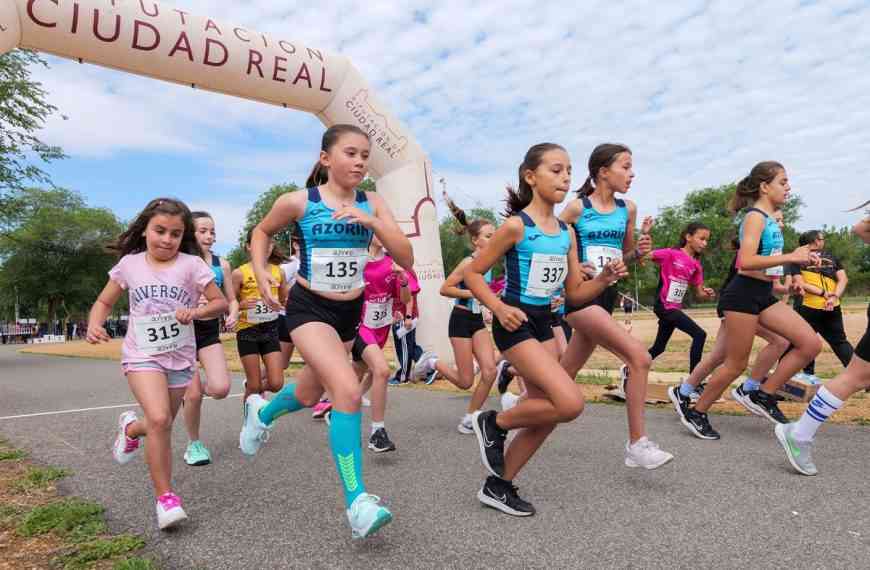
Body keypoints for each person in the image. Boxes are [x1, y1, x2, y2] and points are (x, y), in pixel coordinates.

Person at [239, 124, 413, 538]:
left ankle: (260, 413)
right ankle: (357, 502)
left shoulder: (373, 202)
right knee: (348, 392)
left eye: (364, 155)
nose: (359, 161)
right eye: (350, 153)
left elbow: (405, 255)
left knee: (305, 394)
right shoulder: (299, 202)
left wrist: (371, 222)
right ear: (325, 158)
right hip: (308, 308)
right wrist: (262, 271)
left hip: (350, 312)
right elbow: (261, 232)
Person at [464, 142, 630, 517]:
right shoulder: (514, 226)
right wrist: (498, 307)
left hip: (544, 324)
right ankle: (494, 421)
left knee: (550, 410)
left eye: (569, 170)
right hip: (515, 322)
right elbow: (474, 274)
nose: (566, 177)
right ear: (530, 176)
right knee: (570, 403)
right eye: (556, 170)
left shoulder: (566, 233)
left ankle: (498, 485)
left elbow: (574, 293)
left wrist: (603, 279)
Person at [87, 198, 228, 530]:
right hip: (142, 355)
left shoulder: (193, 265)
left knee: (157, 426)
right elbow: (104, 300)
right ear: (146, 229)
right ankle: (166, 499)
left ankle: (129, 429)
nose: (166, 239)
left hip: (180, 357)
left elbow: (220, 302)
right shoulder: (130, 265)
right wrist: (95, 323)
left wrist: (196, 312)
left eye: (175, 234)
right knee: (161, 418)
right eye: (159, 231)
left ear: (184, 236)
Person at [679, 161, 822, 440]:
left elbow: (768, 265)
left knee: (810, 344)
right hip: (742, 295)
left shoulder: (772, 220)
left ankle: (761, 393)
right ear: (764, 187)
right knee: (735, 364)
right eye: (783, 182)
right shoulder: (755, 217)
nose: (788, 187)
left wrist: (795, 271)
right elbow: (745, 262)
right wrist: (792, 256)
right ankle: (696, 410)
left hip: (763, 294)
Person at [558, 143, 673, 466]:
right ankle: (637, 444)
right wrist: (573, 266)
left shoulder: (628, 209)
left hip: (607, 295)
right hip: (581, 295)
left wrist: (638, 253)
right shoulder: (576, 208)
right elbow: (548, 241)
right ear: (602, 172)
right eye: (625, 166)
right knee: (639, 357)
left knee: (565, 372)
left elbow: (625, 256)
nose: (632, 173)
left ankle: (519, 408)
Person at [776, 205, 869, 475]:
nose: (823, 242)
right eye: (820, 238)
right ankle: (790, 390)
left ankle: (800, 431)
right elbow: (794, 283)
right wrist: (821, 293)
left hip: (831, 307)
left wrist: (835, 296)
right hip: (809, 307)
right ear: (811, 240)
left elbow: (843, 277)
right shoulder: (798, 257)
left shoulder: (831, 258)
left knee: (847, 358)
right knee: (805, 348)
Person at [413, 194, 500, 434]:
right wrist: (475, 295)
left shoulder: (489, 263)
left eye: (495, 235)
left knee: (490, 370)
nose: (494, 239)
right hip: (460, 320)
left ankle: (470, 417)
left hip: (476, 321)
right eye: (489, 236)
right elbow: (445, 289)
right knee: (464, 382)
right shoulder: (467, 263)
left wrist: (486, 305)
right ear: (475, 241)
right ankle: (432, 361)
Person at [181, 211, 236, 467]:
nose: (209, 236)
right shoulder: (179, 262)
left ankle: (186, 391)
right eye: (202, 230)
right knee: (193, 395)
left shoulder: (221, 264)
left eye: (212, 231)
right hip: (182, 333)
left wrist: (232, 313)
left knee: (220, 389)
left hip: (208, 332)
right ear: (190, 233)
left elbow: (231, 299)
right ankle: (194, 444)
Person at [350, 235, 409, 452]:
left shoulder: (392, 262)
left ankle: (331, 404)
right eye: (379, 231)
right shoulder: (356, 258)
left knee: (352, 377)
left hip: (381, 328)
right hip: (359, 325)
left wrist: (402, 279)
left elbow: (404, 299)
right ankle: (377, 432)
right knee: (381, 370)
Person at [646, 222, 716, 374]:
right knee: (699, 334)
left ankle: (629, 369)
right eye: (701, 238)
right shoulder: (671, 254)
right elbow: (645, 255)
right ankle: (692, 383)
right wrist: (644, 238)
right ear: (688, 237)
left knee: (659, 348)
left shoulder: (696, 265)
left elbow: (699, 294)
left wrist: (707, 294)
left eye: (707, 240)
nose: (704, 243)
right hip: (664, 306)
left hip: (674, 307)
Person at [786, 230, 853, 382]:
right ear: (815, 241)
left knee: (800, 343)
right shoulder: (832, 257)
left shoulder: (796, 259)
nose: (823, 241)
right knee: (840, 342)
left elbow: (800, 283)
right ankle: (862, 377)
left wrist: (823, 294)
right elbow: (843, 280)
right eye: (822, 239)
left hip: (808, 306)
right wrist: (834, 296)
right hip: (832, 306)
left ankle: (802, 377)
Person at [232, 229, 288, 405]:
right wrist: (239, 306)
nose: (266, 246)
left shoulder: (279, 272)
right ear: (249, 247)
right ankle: (250, 423)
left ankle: (252, 388)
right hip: (247, 330)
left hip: (271, 329)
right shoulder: (239, 273)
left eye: (269, 243)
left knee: (276, 383)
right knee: (255, 385)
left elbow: (285, 299)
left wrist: (283, 303)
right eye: (259, 243)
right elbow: (229, 302)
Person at [388, 265, 422, 385]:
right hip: (402, 315)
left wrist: (407, 317)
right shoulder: (404, 271)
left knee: (404, 349)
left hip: (403, 317)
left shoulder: (403, 272)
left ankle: (402, 377)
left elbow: (410, 296)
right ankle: (431, 366)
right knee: (411, 347)